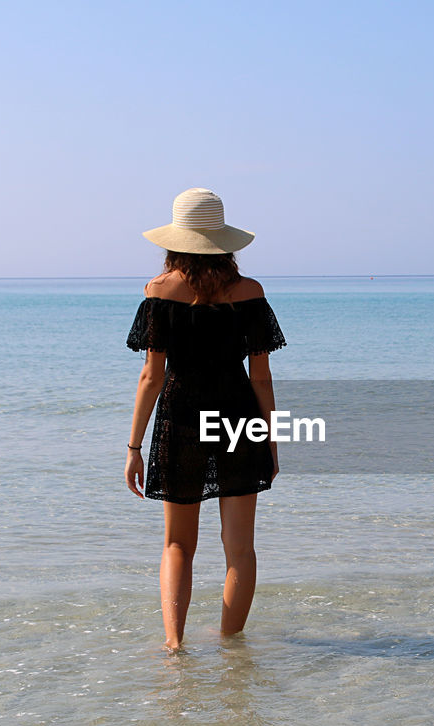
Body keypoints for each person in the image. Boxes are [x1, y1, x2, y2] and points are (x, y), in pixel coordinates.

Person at [123, 188, 286, 650]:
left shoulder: (159, 292)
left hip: (181, 418)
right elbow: (261, 380)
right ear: (224, 241)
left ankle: (174, 647)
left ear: (174, 240)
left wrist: (133, 448)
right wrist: (271, 440)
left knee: (177, 545)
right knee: (240, 550)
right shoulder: (249, 294)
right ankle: (231, 649)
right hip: (238, 418)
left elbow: (151, 378)